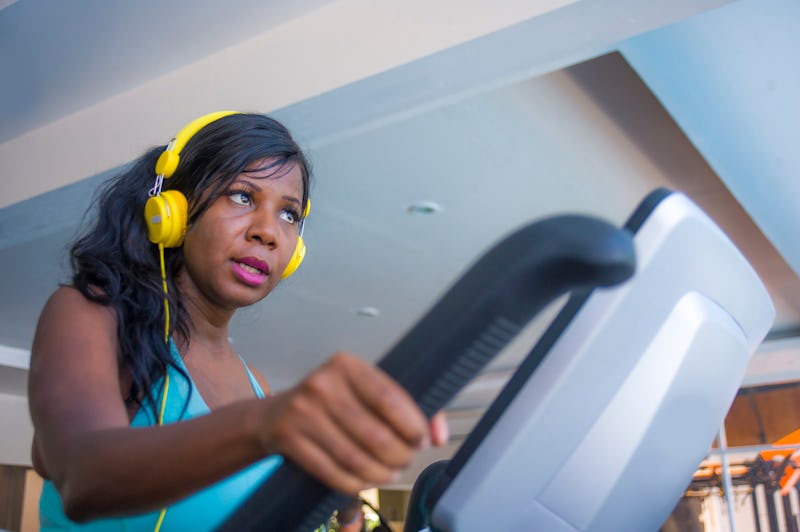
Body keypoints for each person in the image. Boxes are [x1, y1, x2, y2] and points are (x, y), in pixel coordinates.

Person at [27, 111, 448, 531]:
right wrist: (268, 423)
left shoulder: (256, 386)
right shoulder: (89, 316)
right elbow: (85, 478)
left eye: (289, 214)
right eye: (243, 196)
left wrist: (347, 509)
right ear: (173, 210)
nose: (268, 231)